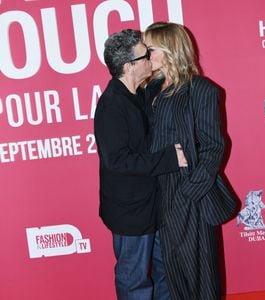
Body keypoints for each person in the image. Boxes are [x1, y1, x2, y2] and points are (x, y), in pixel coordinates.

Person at [143, 22, 237, 300]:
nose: (145, 55)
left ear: (170, 50)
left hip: (188, 194)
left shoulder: (202, 90)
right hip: (157, 194)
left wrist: (189, 193)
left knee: (198, 277)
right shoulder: (150, 90)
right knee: (166, 276)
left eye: (150, 49)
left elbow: (213, 146)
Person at [94, 29, 187, 300]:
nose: (151, 58)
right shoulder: (111, 106)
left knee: (165, 271)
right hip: (130, 212)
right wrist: (169, 159)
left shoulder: (140, 93)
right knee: (134, 279)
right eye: (145, 55)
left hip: (154, 205)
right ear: (129, 66)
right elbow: (117, 160)